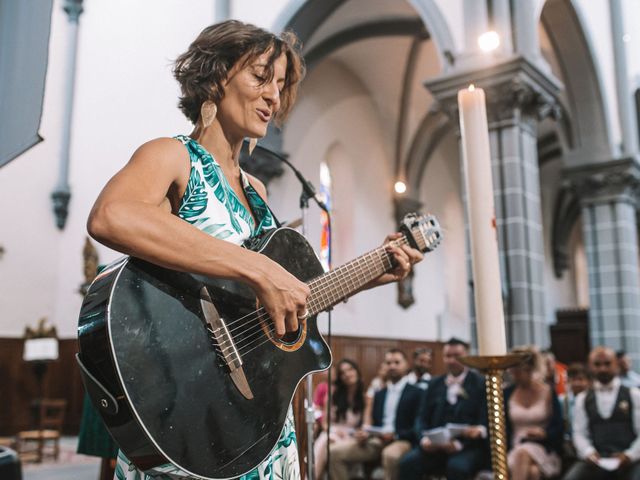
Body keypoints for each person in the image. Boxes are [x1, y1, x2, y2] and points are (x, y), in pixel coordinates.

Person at [86, 20, 424, 480]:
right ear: (215, 76)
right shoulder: (171, 155)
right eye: (261, 77)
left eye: (281, 86)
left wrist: (369, 274)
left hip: (258, 420)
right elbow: (112, 216)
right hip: (189, 407)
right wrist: (259, 269)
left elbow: (280, 302)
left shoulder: (257, 190)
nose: (274, 96)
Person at [399, 338, 489, 480]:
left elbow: (485, 422)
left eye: (457, 356)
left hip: (466, 447)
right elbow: (421, 417)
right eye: (448, 356)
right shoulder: (434, 383)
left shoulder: (481, 383)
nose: (452, 360)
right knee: (407, 463)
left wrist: (460, 443)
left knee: (457, 467)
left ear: (467, 356)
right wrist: (424, 440)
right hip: (434, 446)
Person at [327, 349, 422, 480]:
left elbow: (418, 427)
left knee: (390, 455)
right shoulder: (379, 394)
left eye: (397, 362)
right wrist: (365, 433)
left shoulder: (417, 392)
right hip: (377, 440)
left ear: (406, 365)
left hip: (402, 440)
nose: (392, 366)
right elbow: (371, 422)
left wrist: (396, 435)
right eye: (388, 363)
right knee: (333, 453)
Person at [563, 346, 640, 480]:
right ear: (590, 366)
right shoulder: (583, 398)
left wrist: (629, 455)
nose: (602, 368)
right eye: (597, 364)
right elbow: (579, 433)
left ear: (617, 364)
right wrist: (589, 453)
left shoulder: (633, 394)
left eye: (607, 364)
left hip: (631, 460)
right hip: (596, 459)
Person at [505, 346, 563, 480]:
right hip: (514, 445)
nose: (513, 374)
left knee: (523, 453)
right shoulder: (507, 393)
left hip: (543, 447)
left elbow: (559, 425)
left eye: (518, 371)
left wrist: (544, 433)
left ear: (530, 369)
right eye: (512, 370)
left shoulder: (548, 392)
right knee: (533, 472)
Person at [313, 359, 365, 479]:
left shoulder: (365, 397)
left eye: (350, 369)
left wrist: (356, 434)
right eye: (342, 372)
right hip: (332, 431)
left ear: (356, 371)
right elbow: (325, 423)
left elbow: (365, 425)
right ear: (339, 377)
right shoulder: (332, 393)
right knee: (326, 440)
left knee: (331, 446)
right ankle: (314, 475)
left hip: (352, 435)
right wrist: (333, 431)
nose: (347, 374)